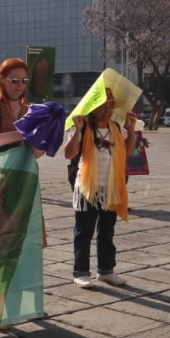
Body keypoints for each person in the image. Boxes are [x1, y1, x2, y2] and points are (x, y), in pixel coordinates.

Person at [64, 89, 138, 287]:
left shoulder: (116, 127)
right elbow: (69, 154)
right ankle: (81, 272)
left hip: (111, 189)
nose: (107, 110)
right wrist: (78, 131)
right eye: (103, 106)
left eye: (110, 106)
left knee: (107, 232)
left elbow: (129, 152)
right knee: (83, 232)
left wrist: (131, 130)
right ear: (93, 107)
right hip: (87, 189)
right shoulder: (84, 126)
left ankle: (106, 270)